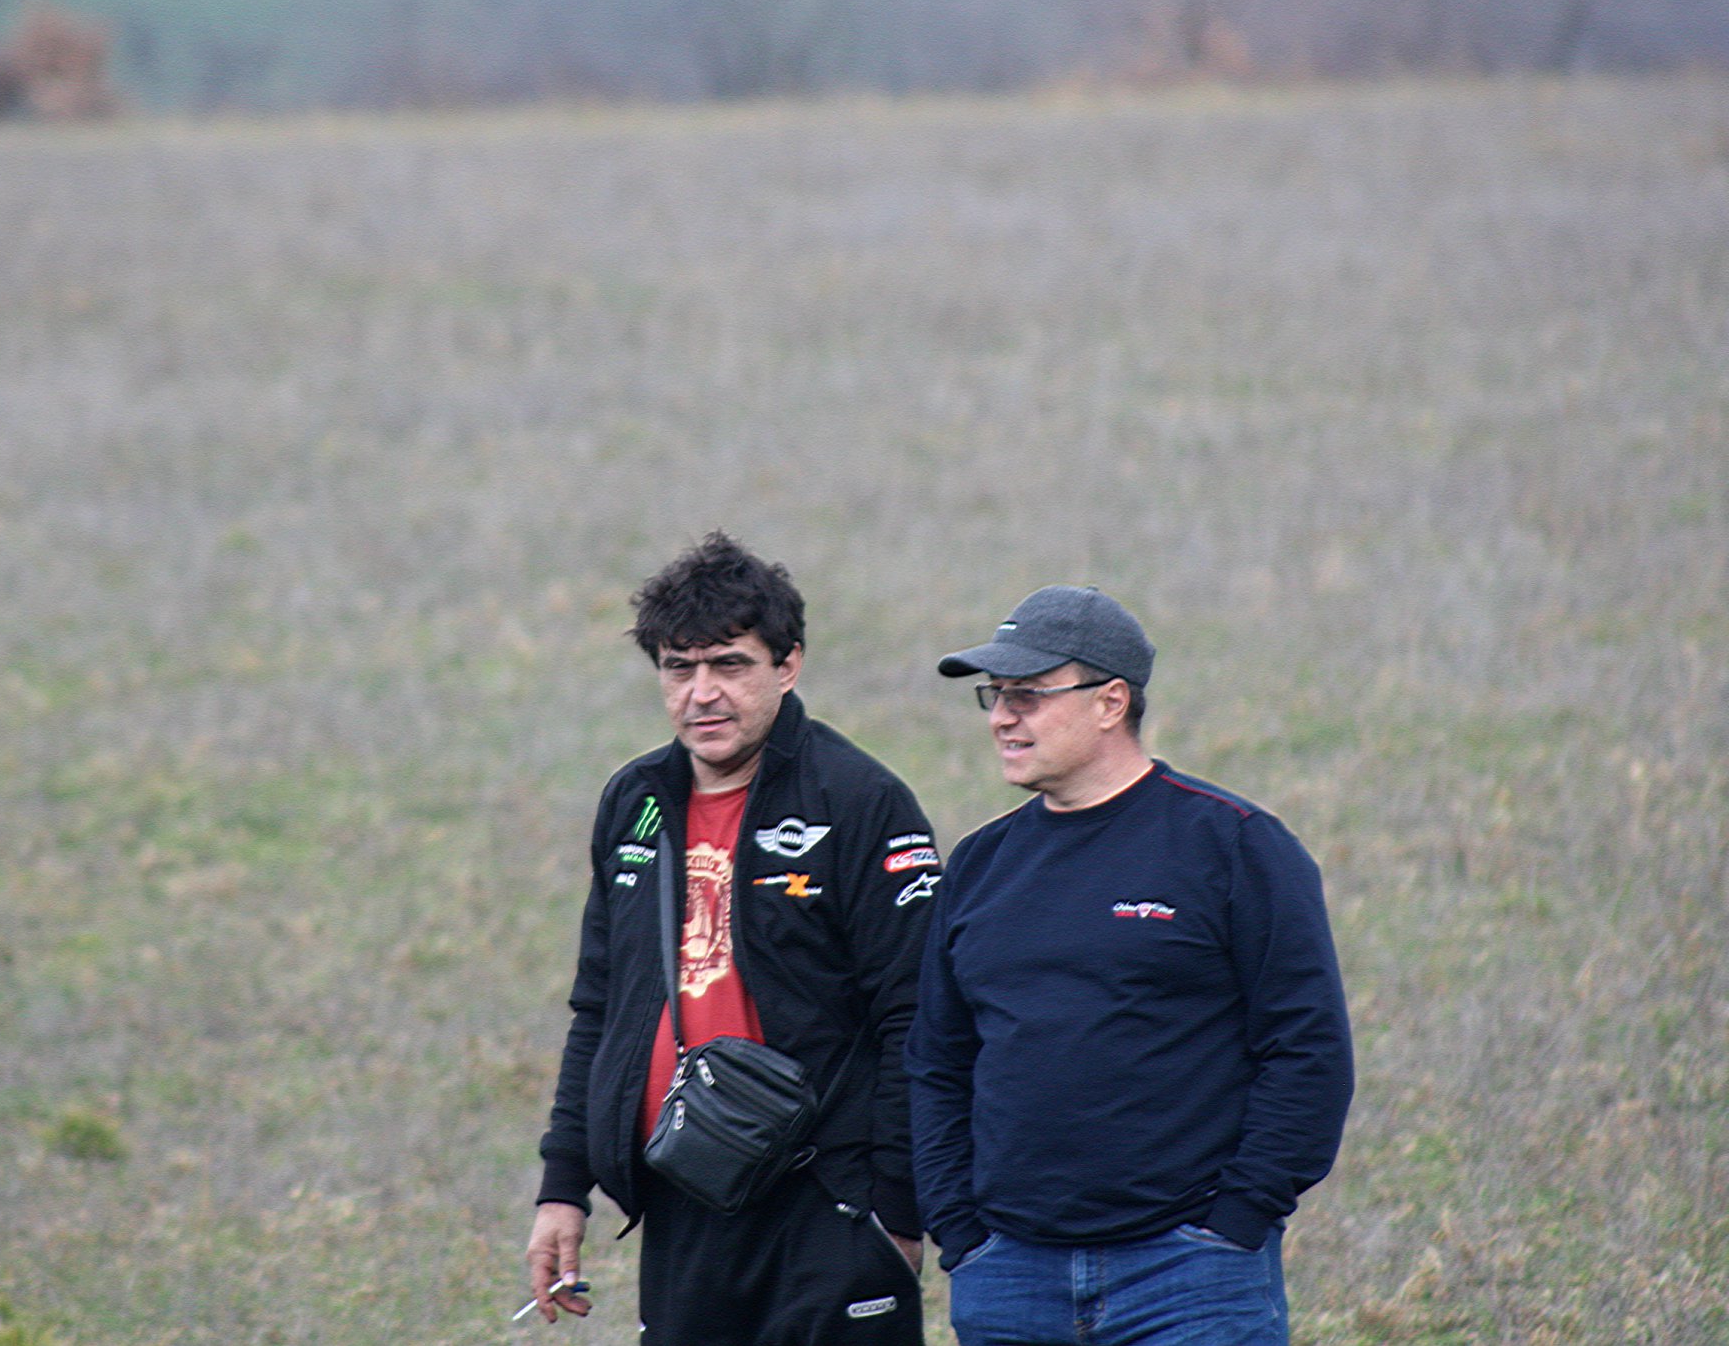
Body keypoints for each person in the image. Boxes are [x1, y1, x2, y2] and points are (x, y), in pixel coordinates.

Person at [907, 585, 1354, 1346]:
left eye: (1027, 695)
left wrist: (1238, 1218)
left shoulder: (1235, 845)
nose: (1001, 717)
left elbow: (1307, 1050)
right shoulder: (980, 864)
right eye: (994, 695)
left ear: (1111, 702)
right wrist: (961, 1232)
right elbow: (937, 1061)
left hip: (1189, 1278)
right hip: (1009, 1276)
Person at [526, 531, 938, 1345]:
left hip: (826, 1204)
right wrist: (562, 1188)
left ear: (788, 666)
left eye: (729, 665)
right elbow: (601, 1008)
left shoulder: (859, 800)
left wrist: (896, 1209)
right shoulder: (636, 802)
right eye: (679, 668)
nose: (701, 693)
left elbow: (917, 1017)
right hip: (683, 1195)